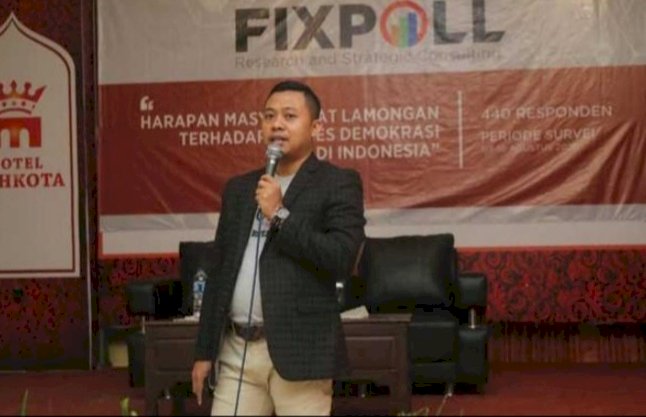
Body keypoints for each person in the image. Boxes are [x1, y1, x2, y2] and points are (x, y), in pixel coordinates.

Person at [191, 80, 366, 416]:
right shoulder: (240, 189)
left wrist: (279, 215)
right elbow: (220, 271)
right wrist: (204, 351)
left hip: (300, 352)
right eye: (269, 116)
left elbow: (340, 257)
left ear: (316, 128)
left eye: (289, 116)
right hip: (237, 351)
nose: (277, 125)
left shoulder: (337, 183)